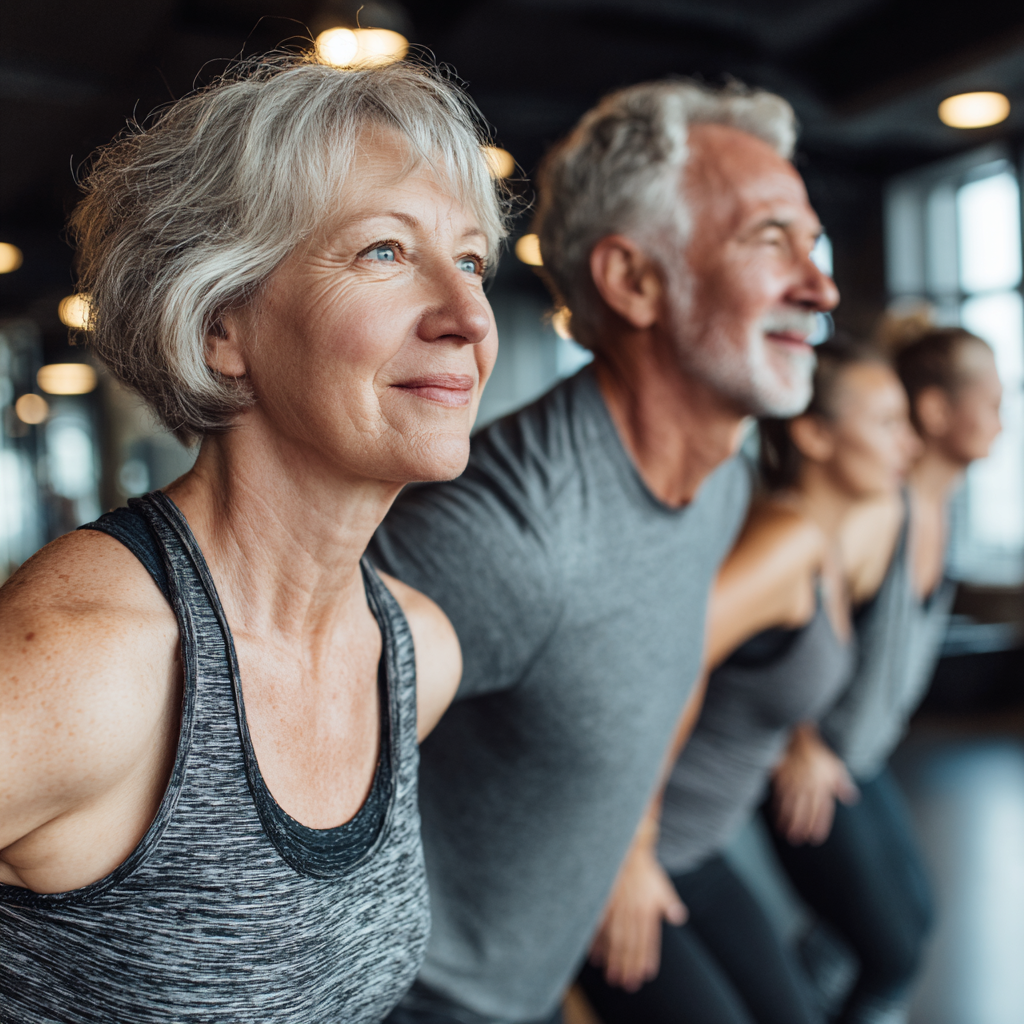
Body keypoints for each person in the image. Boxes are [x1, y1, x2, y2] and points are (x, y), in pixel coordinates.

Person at [0, 54, 507, 1023]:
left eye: (473, 260)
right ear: (220, 325)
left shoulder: (414, 657)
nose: (468, 316)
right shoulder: (87, 665)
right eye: (385, 253)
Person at [371, 79, 838, 1024]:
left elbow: (677, 655)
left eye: (813, 243)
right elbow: (246, 770)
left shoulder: (723, 486)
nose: (821, 285)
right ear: (634, 282)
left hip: (530, 991)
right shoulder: (507, 534)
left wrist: (635, 835)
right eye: (769, 239)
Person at [577, 341, 918, 1024]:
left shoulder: (819, 544)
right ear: (815, 435)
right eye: (886, 423)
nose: (908, 444)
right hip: (628, 863)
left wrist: (802, 735)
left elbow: (762, 666)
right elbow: (652, 660)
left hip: (696, 851)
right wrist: (630, 853)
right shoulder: (784, 542)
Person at [766, 324, 1003, 1024]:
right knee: (891, 952)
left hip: (862, 757)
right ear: (936, 413)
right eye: (989, 398)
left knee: (904, 924)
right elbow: (783, 625)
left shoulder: (949, 509)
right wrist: (798, 737)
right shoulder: (876, 516)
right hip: (815, 758)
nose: (1003, 415)